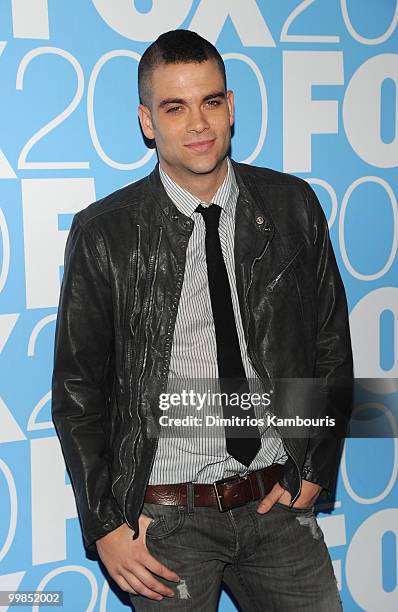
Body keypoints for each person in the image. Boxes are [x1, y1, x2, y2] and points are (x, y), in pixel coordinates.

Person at [51, 29, 353, 611]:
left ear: (231, 106)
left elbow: (328, 344)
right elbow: (78, 392)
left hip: (276, 502)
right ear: (147, 121)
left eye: (211, 102)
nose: (198, 124)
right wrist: (106, 525)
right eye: (175, 107)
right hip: (165, 523)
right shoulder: (106, 233)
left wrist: (314, 467)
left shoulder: (293, 206)